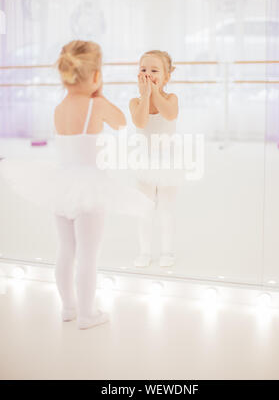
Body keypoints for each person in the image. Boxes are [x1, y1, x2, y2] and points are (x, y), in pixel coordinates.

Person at [0, 40, 155, 330]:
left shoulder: (59, 108)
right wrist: (100, 95)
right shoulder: (96, 104)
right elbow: (121, 122)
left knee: (65, 250)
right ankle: (87, 314)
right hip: (89, 189)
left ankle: (68, 308)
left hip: (61, 187)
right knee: (88, 254)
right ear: (96, 76)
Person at [129, 50, 185, 268]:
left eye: (154, 70)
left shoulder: (171, 98)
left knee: (166, 210)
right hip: (145, 162)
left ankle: (167, 251)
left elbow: (169, 114)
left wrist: (154, 93)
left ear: (166, 77)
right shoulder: (135, 101)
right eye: (143, 70)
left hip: (168, 162)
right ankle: (144, 251)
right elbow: (141, 122)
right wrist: (145, 97)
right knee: (144, 209)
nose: (148, 74)